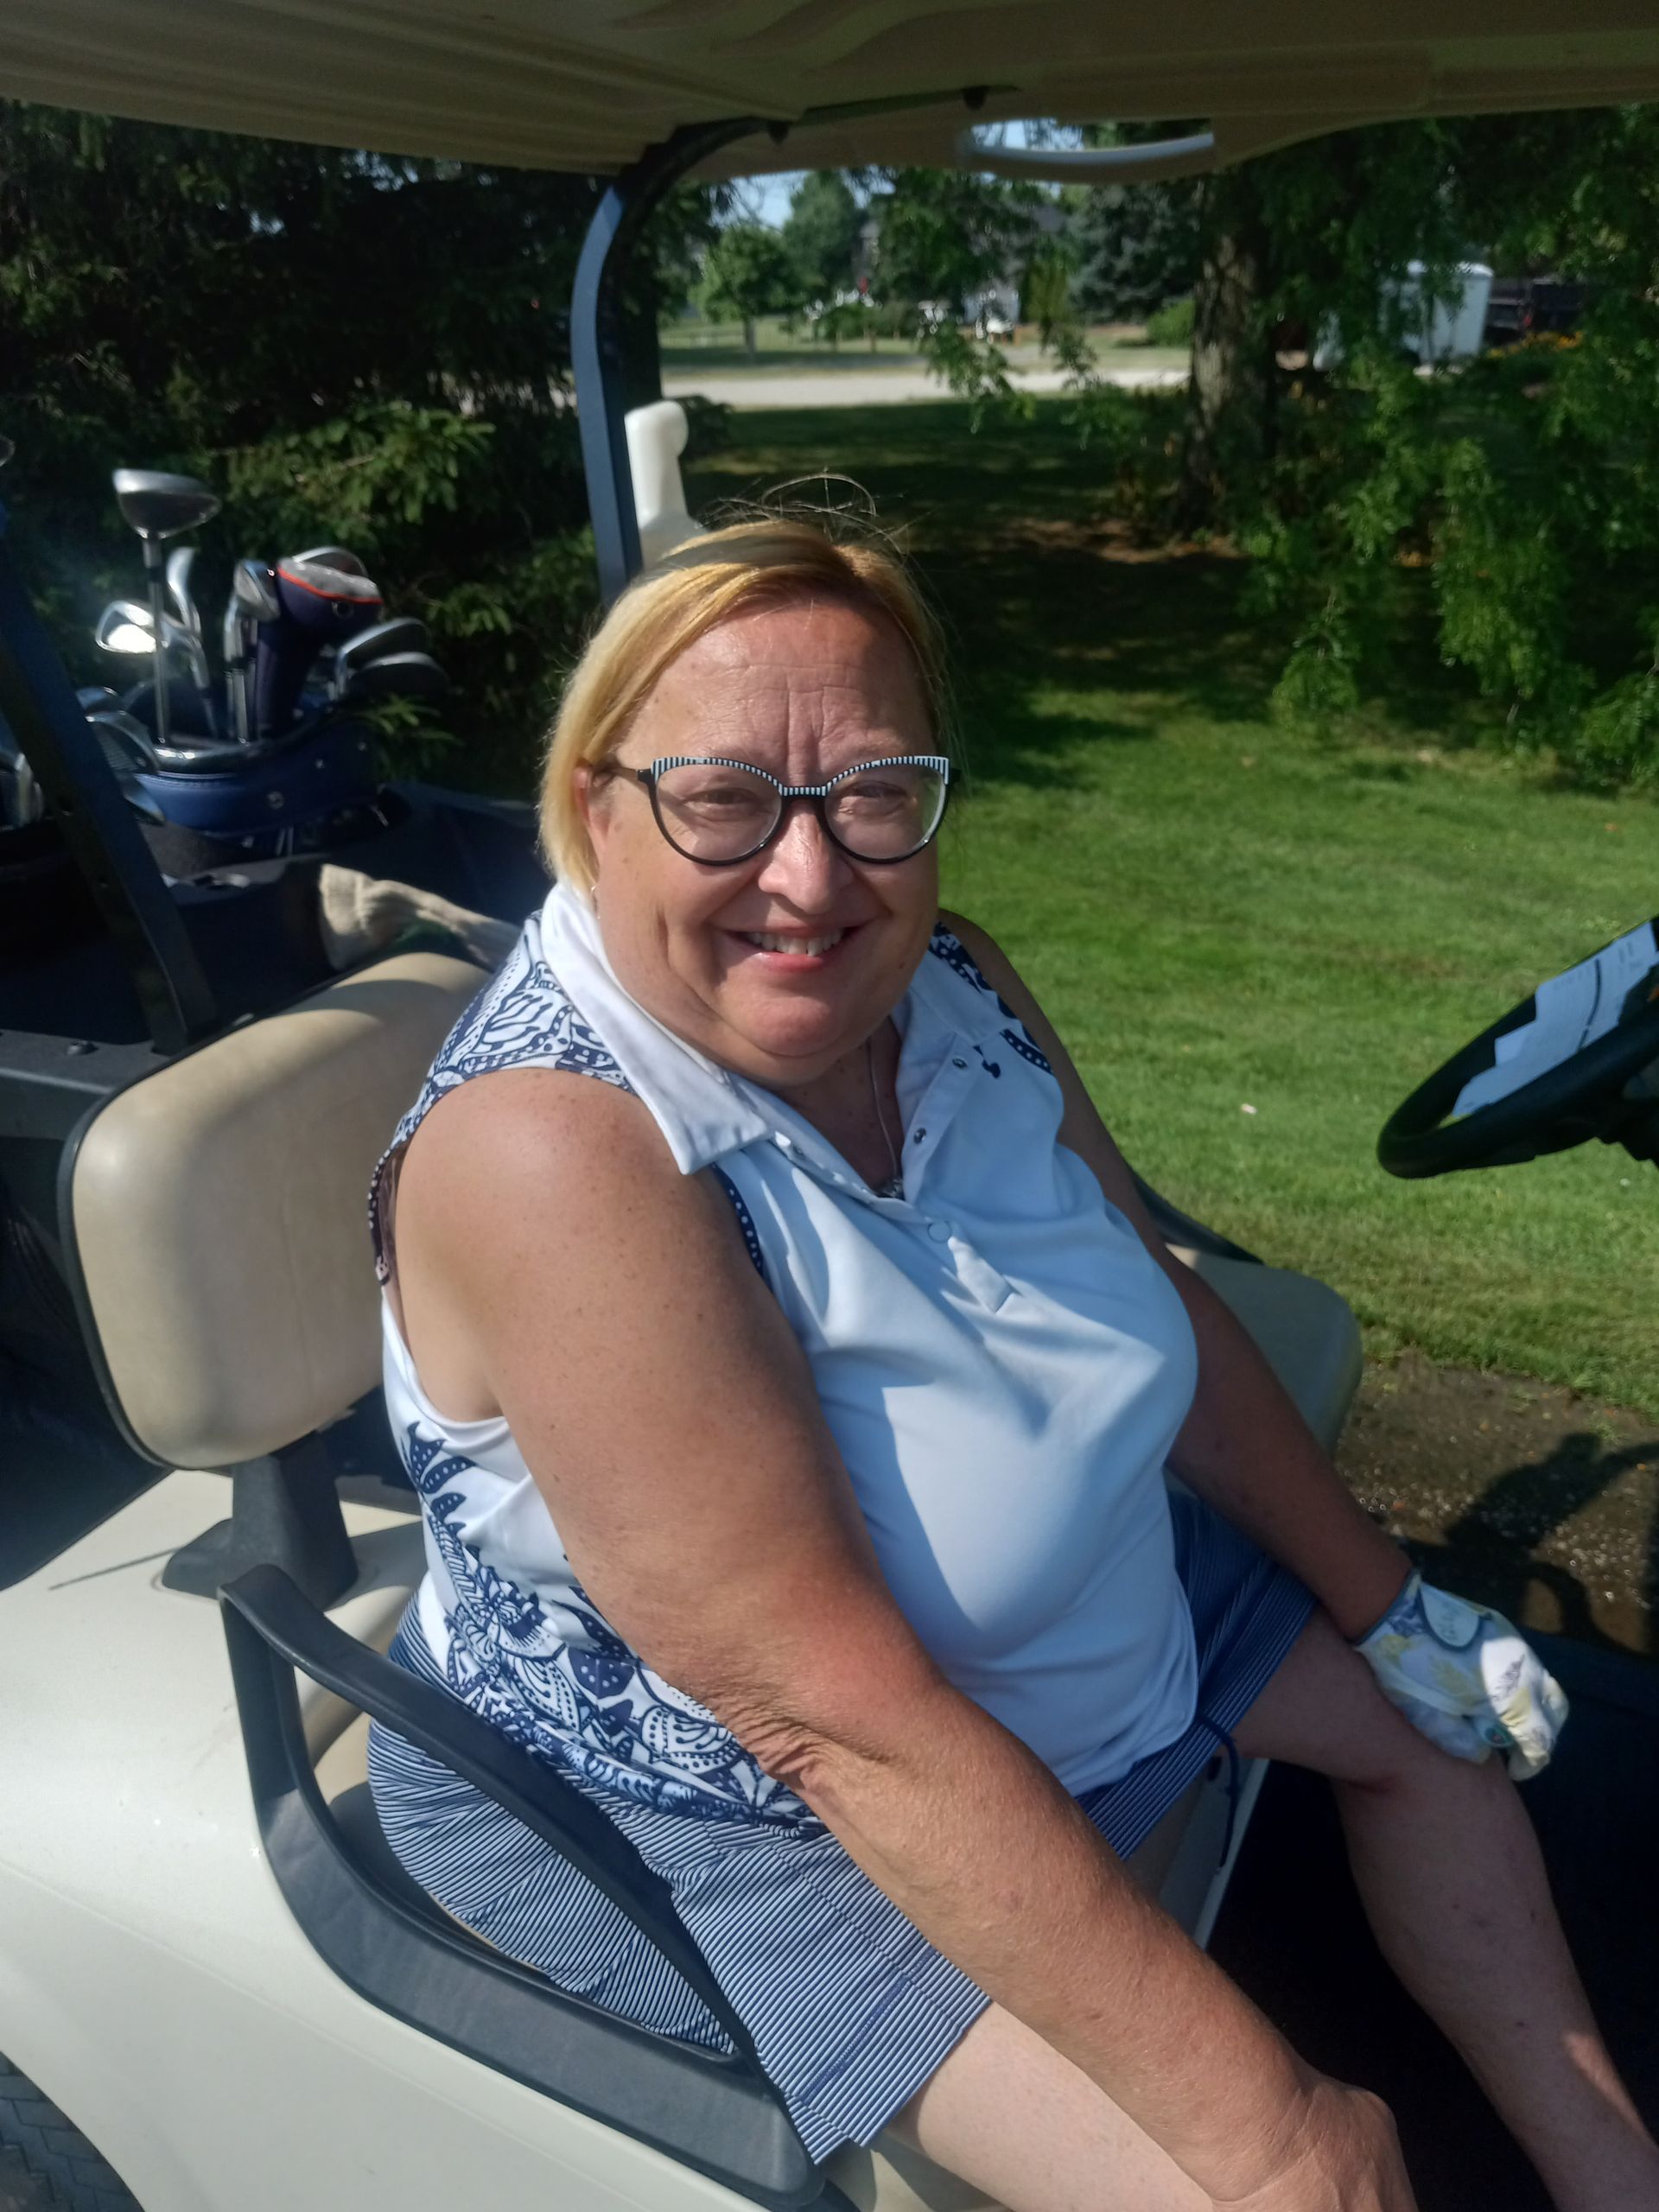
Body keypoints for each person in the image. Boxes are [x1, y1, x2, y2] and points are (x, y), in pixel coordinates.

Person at [366, 518, 1658, 2212]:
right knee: (1318, 2177)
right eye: (726, 797)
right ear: (596, 802)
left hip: (1060, 1597)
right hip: (752, 1806)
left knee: (1442, 1742)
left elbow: (1151, 1298)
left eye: (876, 792)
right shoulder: (564, 1157)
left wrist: (1390, 1604)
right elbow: (830, 1719)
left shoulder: (954, 978)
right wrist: (1283, 2133)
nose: (815, 876)